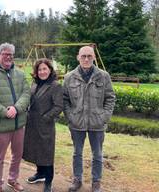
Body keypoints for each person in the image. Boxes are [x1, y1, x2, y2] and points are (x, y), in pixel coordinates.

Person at [63, 46, 115, 192]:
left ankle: (96, 182)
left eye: (89, 56)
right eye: (83, 56)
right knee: (77, 153)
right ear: (78, 57)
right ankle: (77, 180)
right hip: (76, 123)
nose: (86, 59)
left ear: (94, 58)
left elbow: (110, 97)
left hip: (97, 123)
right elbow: (65, 99)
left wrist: (104, 117)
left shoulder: (104, 76)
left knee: (97, 154)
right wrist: (70, 116)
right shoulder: (69, 77)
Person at [0, 43, 30, 192]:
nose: (8, 57)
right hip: (2, 125)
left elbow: (26, 94)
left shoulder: (21, 74)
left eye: (11, 54)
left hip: (19, 124)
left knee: (17, 155)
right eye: (5, 54)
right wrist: (5, 112)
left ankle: (12, 179)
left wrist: (16, 108)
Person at [23, 58, 63, 192]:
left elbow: (58, 106)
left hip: (45, 125)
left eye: (45, 69)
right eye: (39, 69)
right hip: (32, 124)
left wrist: (46, 117)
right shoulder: (34, 84)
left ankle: (48, 181)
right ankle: (40, 174)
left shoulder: (55, 86)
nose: (42, 72)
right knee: (36, 150)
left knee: (46, 153)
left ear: (50, 70)